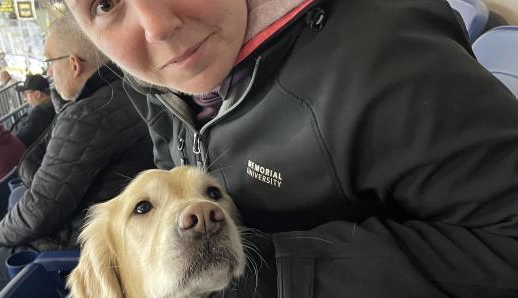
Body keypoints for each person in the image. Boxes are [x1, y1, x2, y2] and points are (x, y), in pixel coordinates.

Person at [64, 0, 518, 297]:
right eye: (104, 4)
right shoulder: (154, 83)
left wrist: (274, 276)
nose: (157, 26)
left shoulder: (382, 55)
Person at [0, 17, 154, 293]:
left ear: (74, 64)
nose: (49, 75)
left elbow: (39, 210)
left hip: (82, 244)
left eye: (50, 64)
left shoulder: (87, 116)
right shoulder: (127, 88)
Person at [12, 74, 56, 147]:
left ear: (38, 94)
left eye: (26, 94)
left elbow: (20, 140)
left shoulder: (40, 114)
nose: (25, 98)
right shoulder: (53, 105)